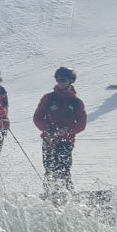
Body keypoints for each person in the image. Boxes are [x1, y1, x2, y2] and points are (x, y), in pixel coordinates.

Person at [32, 67, 87, 195]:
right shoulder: (48, 98)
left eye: (63, 80)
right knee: (49, 169)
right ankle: (49, 194)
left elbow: (81, 124)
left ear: (71, 81)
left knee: (63, 169)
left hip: (66, 141)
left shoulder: (77, 102)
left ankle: (67, 194)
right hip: (49, 140)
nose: (60, 82)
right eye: (58, 79)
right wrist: (47, 128)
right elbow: (37, 117)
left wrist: (66, 130)